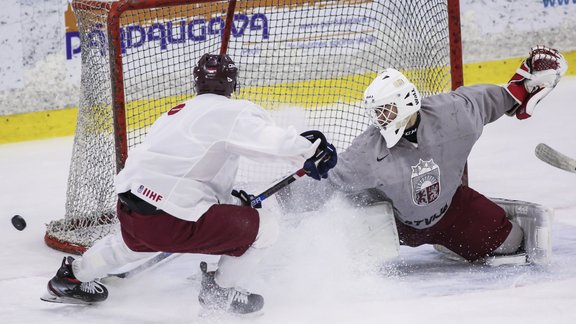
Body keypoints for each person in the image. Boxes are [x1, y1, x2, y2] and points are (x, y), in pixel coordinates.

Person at [42, 53, 337, 314]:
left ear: (197, 83)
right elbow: (270, 142)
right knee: (266, 227)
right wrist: (310, 150)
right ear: (233, 83)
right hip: (172, 217)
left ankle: (70, 278)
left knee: (130, 245)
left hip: (133, 209)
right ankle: (220, 292)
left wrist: (231, 204)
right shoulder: (232, 111)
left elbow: (190, 170)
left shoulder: (175, 113)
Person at [278, 46, 567, 264]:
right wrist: (278, 203)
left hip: (453, 210)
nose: (380, 119)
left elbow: (503, 98)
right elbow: (329, 181)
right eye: (377, 112)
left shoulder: (455, 114)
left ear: (406, 102)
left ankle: (450, 240)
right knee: (351, 253)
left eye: (385, 110)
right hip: (395, 224)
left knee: (512, 241)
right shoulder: (368, 150)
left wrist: (533, 80)